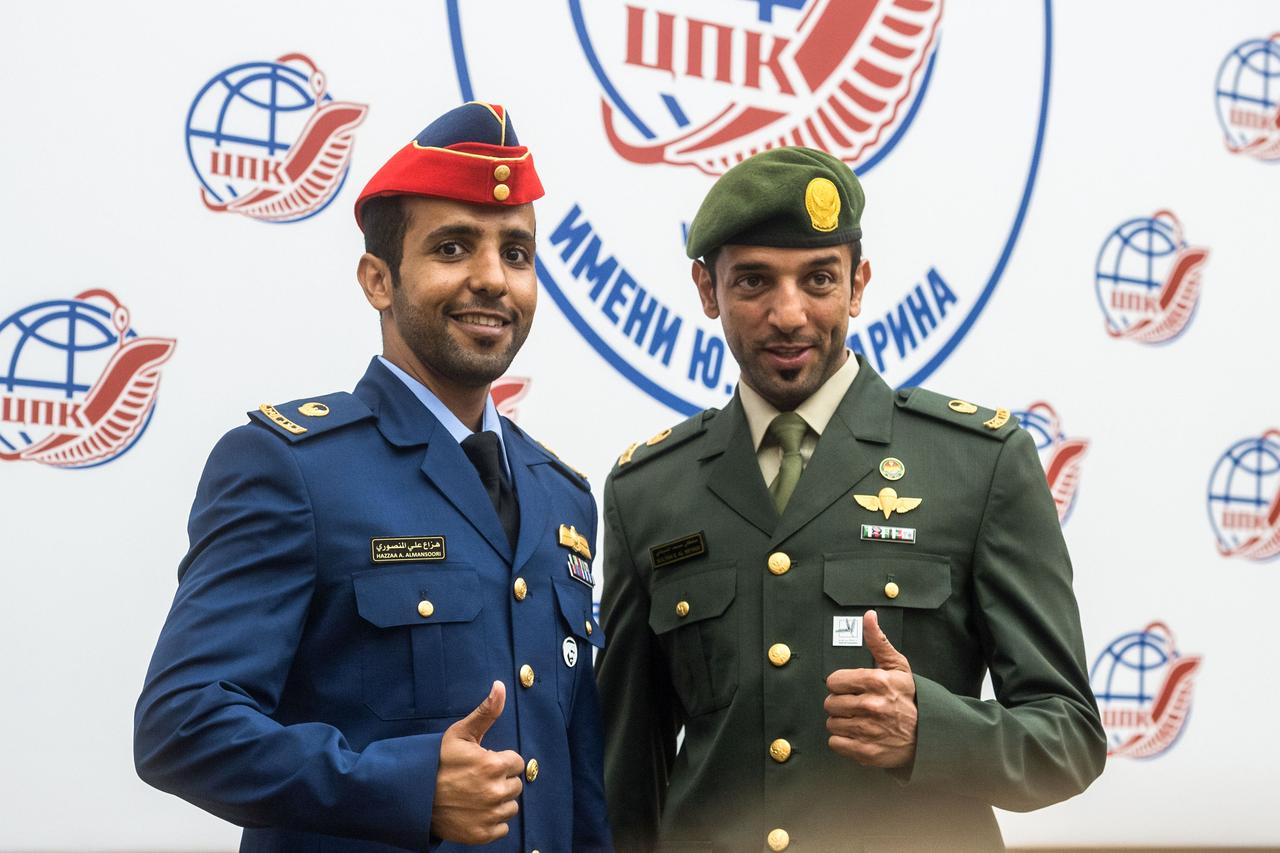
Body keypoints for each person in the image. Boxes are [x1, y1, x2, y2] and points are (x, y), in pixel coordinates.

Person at [595, 147, 1106, 852]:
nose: (789, 314)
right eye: (752, 282)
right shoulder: (645, 491)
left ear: (858, 284)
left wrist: (933, 729)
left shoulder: (979, 463)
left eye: (819, 279)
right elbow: (626, 780)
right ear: (706, 289)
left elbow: (1070, 738)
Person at [134, 102, 611, 853]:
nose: (492, 279)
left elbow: (581, 781)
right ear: (378, 280)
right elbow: (182, 722)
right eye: (453, 248)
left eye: (516, 254)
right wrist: (407, 787)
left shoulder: (563, 495)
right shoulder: (291, 467)